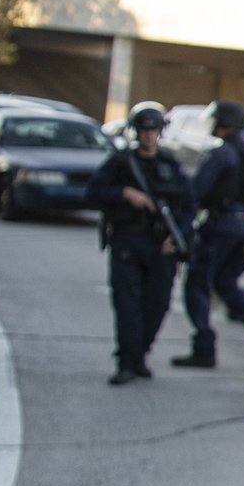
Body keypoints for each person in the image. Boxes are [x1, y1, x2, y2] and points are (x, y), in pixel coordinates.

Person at [86, 103, 192, 384]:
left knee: (157, 304)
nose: (148, 136)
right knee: (127, 304)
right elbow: (93, 193)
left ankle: (140, 353)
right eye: (144, 130)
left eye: (153, 130)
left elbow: (189, 205)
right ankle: (127, 362)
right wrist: (124, 193)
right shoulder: (121, 163)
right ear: (136, 132)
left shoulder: (170, 164)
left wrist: (177, 235)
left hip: (162, 245)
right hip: (128, 241)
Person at [172, 99, 244, 369]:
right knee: (226, 282)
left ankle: (204, 346)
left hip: (222, 225)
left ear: (224, 124)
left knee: (197, 284)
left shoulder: (223, 153)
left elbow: (197, 191)